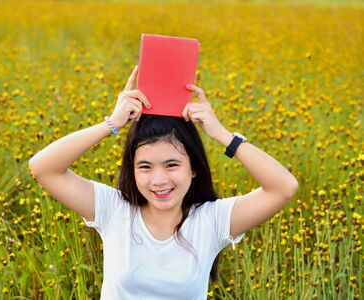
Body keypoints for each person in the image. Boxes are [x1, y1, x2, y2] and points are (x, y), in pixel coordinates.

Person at [28, 65, 299, 299]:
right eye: (145, 167)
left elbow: (283, 187)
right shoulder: (115, 210)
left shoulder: (211, 221)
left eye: (172, 165)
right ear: (132, 171)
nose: (159, 181)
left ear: (194, 169)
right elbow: (43, 167)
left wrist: (221, 133)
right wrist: (112, 123)